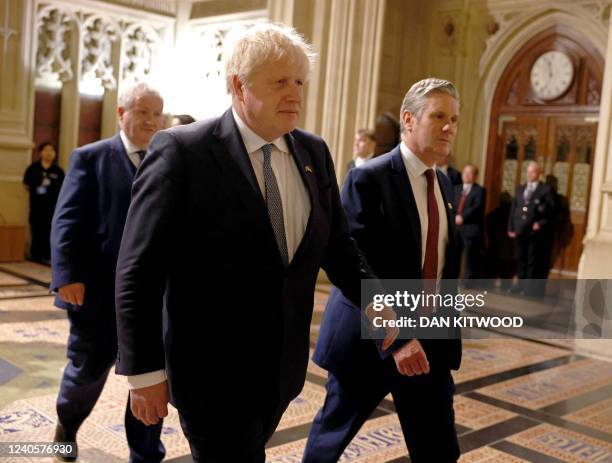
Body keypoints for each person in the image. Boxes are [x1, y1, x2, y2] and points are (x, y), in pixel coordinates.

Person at [113, 24, 391, 463]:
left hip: (281, 372)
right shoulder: (183, 151)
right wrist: (144, 371)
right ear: (239, 85)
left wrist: (378, 302)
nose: (295, 93)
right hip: (211, 374)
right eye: (279, 81)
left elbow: (338, 246)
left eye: (299, 81)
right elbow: (139, 269)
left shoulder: (313, 154)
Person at [303, 78, 462, 463]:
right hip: (369, 340)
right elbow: (351, 263)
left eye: (454, 119)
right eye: (439, 116)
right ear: (409, 120)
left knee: (439, 449)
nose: (449, 127)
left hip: (428, 343)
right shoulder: (368, 178)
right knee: (328, 442)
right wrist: (397, 337)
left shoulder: (442, 182)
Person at [49, 82, 165, 463]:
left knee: (150, 376)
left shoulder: (167, 160)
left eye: (156, 113)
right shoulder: (90, 157)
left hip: (151, 297)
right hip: (96, 292)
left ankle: (145, 452)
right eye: (142, 112)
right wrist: (66, 274)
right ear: (121, 113)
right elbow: (67, 220)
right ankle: (67, 428)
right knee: (87, 372)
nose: (151, 121)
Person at [507, 161, 555, 296]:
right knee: (520, 258)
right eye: (527, 172)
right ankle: (519, 286)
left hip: (534, 233)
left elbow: (551, 212)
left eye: (532, 172)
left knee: (531, 260)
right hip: (519, 230)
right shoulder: (520, 189)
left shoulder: (546, 190)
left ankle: (529, 288)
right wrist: (511, 227)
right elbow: (514, 209)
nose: (529, 174)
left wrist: (540, 223)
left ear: (539, 173)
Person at [23, 141, 65, 263]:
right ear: (40, 152)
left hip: (53, 208)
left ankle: (47, 256)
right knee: (36, 230)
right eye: (46, 150)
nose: (48, 153)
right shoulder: (33, 168)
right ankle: (35, 255)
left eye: (51, 150)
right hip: (36, 207)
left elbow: (63, 188)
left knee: (50, 231)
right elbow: (26, 185)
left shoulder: (58, 171)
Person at [453, 164, 485, 286]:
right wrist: (453, 216)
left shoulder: (479, 190)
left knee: (469, 257)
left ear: (475, 176)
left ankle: (467, 281)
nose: (466, 175)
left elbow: (476, 207)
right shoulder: (456, 188)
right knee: (454, 254)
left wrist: (462, 217)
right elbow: (450, 204)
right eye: (464, 172)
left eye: (469, 173)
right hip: (455, 227)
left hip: (470, 228)